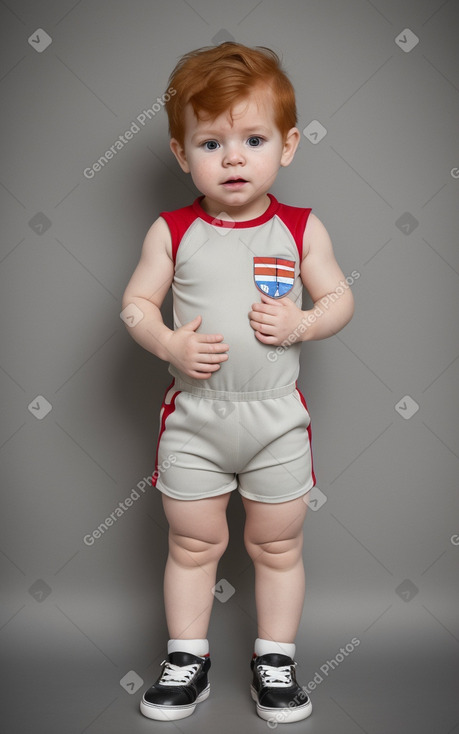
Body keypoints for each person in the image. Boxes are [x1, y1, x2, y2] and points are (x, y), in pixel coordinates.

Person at [122, 41, 354, 725]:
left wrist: (302, 324)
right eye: (210, 141)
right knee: (192, 543)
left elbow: (339, 297)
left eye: (252, 139)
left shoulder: (299, 228)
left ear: (286, 146)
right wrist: (167, 340)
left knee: (277, 545)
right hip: (196, 417)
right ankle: (187, 656)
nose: (231, 158)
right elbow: (135, 304)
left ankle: (274, 658)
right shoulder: (172, 230)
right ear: (179, 152)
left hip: (274, 420)